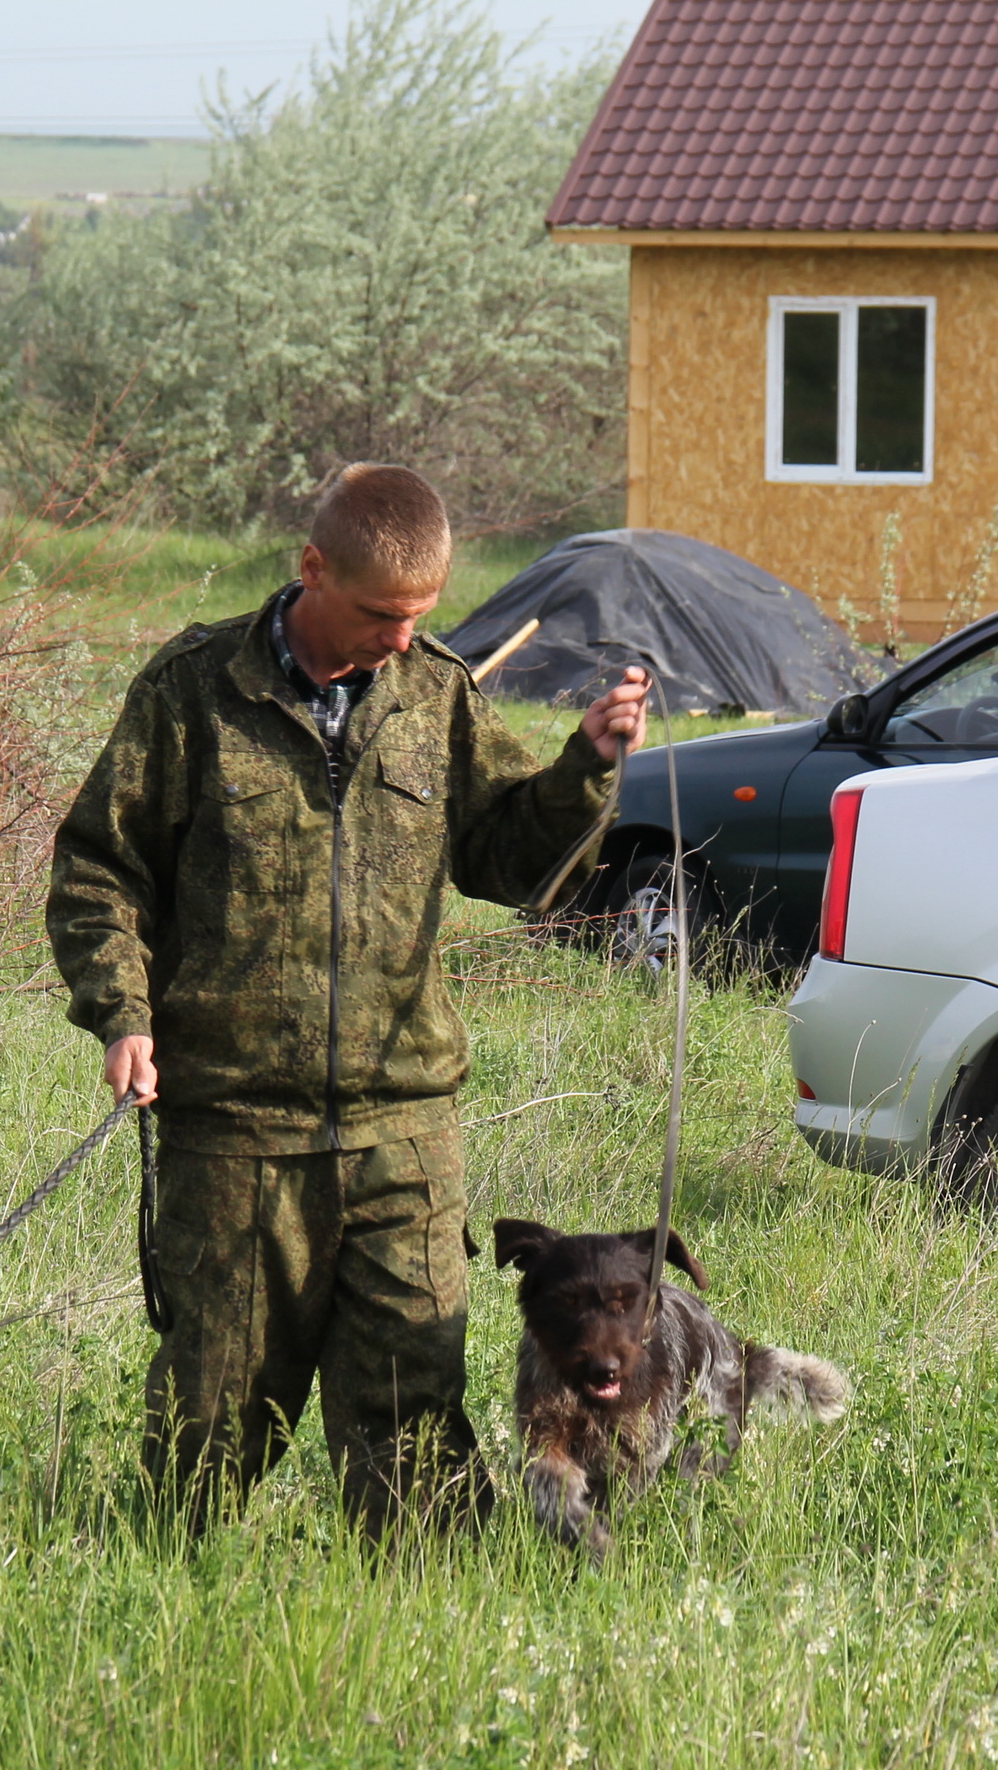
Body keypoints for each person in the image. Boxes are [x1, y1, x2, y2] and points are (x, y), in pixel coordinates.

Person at [47, 465, 650, 1537]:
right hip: (234, 1131)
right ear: (313, 568)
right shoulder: (193, 691)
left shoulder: (435, 694)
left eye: (418, 616)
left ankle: (423, 1612)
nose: (399, 639)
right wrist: (122, 1013)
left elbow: (512, 861)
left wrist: (585, 769)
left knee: (413, 1413)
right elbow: (101, 868)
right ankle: (171, 1589)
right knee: (212, 1412)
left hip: (403, 1133)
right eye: (379, 614)